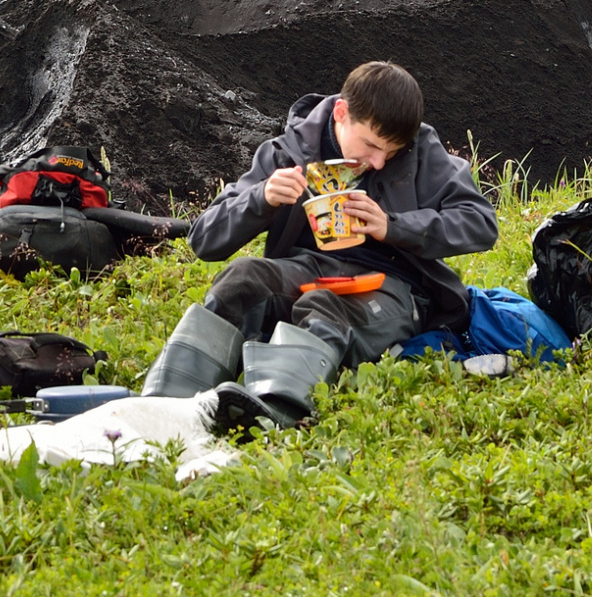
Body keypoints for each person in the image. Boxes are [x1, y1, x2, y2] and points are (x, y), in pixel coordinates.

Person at [145, 60, 497, 421]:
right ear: (341, 113)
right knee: (241, 279)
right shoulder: (289, 151)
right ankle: (166, 403)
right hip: (307, 267)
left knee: (321, 305)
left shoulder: (422, 150)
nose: (378, 162)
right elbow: (205, 239)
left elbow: (481, 223)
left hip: (394, 285)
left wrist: (392, 226)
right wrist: (262, 198)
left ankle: (275, 413)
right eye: (371, 145)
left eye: (390, 152)